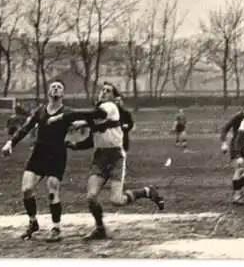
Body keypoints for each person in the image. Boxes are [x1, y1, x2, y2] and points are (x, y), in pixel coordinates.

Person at [48, 82, 164, 241]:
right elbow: (91, 140)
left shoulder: (109, 107)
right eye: (102, 90)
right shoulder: (96, 114)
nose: (103, 92)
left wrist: (62, 116)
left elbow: (94, 115)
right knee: (91, 197)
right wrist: (74, 145)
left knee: (117, 200)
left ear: (113, 97)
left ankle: (146, 192)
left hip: (115, 157)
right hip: (100, 158)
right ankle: (100, 229)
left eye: (108, 91)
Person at [1, 80, 89, 242]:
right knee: (27, 189)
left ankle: (56, 228)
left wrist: (82, 123)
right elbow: (25, 128)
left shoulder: (67, 112)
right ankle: (33, 222)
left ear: (63, 94)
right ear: (49, 92)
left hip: (57, 154)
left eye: (60, 87)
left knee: (52, 189)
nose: (56, 88)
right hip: (39, 153)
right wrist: (10, 143)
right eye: (53, 86)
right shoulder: (40, 111)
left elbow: (87, 119)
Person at [219, 97, 244, 204]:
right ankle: (237, 196)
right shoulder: (238, 116)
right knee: (239, 170)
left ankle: (241, 193)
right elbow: (224, 129)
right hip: (236, 147)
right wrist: (224, 143)